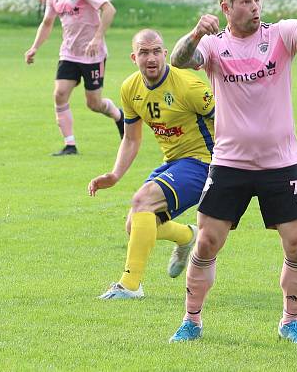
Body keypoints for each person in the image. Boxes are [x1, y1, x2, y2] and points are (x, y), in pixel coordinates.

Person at [167, 0, 297, 344]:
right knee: (206, 243)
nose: (255, 7)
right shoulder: (214, 47)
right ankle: (191, 321)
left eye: (257, 0)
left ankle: (291, 322)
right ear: (226, 8)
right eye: (245, 2)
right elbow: (179, 58)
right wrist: (196, 33)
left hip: (280, 163)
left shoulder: (278, 36)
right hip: (230, 162)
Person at [88, 29, 215, 299]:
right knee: (134, 225)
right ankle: (186, 236)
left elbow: (230, 119)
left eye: (156, 51)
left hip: (205, 161)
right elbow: (132, 139)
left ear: (165, 54)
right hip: (174, 161)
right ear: (134, 57)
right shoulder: (130, 88)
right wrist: (115, 174)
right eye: (144, 52)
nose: (151, 58)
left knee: (142, 201)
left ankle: (130, 285)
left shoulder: (189, 86)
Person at [24, 0, 124, 156]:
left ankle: (118, 115)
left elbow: (109, 10)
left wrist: (97, 38)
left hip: (93, 55)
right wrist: (34, 47)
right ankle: (70, 145)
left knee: (94, 104)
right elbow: (47, 23)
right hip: (69, 53)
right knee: (59, 94)